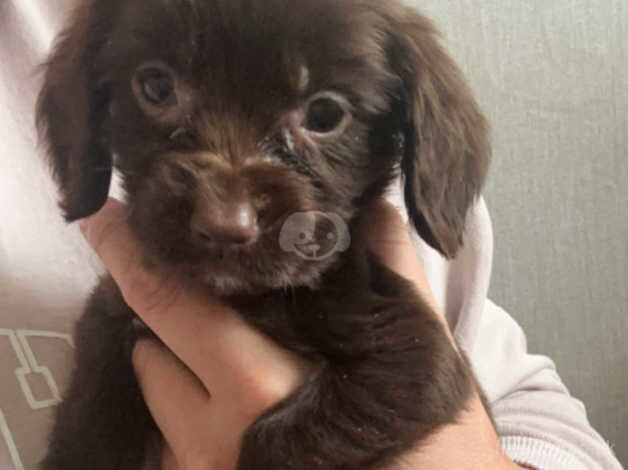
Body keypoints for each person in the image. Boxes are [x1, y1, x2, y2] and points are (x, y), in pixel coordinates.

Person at [0, 1, 621, 469]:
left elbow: (480, 392)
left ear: (398, 137)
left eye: (323, 117)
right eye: (159, 89)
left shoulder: (392, 294)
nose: (227, 214)